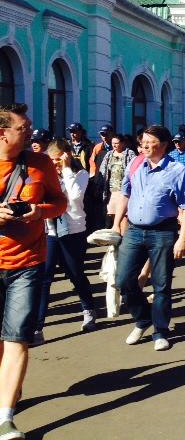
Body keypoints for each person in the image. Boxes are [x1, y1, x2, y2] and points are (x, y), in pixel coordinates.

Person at [0, 103, 66, 440]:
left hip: (27, 263)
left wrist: (37, 212)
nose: (31, 133)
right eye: (23, 129)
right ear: (3, 133)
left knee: (17, 339)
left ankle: (5, 418)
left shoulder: (40, 163)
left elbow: (60, 202)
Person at [112, 124, 185, 351]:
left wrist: (183, 238)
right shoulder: (135, 163)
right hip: (134, 230)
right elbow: (125, 193)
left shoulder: (176, 170)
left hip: (163, 232)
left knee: (161, 284)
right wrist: (116, 223)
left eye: (151, 142)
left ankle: (160, 330)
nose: (145, 146)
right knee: (123, 280)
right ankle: (142, 319)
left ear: (164, 145)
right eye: (143, 142)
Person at [34, 140, 98, 345]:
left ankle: (88, 310)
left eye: (57, 161)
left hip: (73, 232)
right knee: (45, 279)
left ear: (67, 156)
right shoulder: (47, 176)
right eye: (51, 161)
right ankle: (37, 328)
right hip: (50, 231)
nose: (54, 165)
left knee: (76, 274)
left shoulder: (80, 174)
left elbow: (74, 198)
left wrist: (68, 169)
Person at [100, 134, 136, 235]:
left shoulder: (129, 153)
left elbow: (134, 169)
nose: (114, 145)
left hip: (124, 190)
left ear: (123, 143)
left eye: (117, 143)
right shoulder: (109, 154)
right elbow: (103, 170)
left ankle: (123, 237)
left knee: (124, 214)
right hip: (112, 190)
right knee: (113, 214)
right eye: (113, 143)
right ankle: (116, 237)